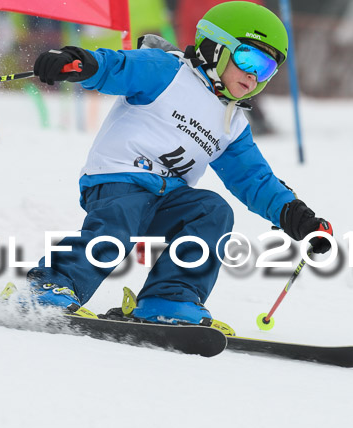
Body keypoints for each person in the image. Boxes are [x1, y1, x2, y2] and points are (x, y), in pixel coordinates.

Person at [24, 1, 332, 330]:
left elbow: (253, 178)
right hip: (119, 178)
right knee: (119, 222)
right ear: (216, 48)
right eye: (249, 59)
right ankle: (52, 285)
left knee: (212, 210)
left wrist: (295, 216)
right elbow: (117, 67)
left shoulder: (233, 123)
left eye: (267, 68)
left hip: (167, 198)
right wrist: (78, 63)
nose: (254, 75)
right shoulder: (167, 70)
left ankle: (169, 299)